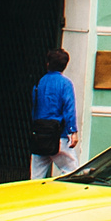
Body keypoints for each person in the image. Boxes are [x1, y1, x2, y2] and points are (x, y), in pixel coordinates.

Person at [29, 47, 79, 178]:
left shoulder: (40, 82)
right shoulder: (66, 83)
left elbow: (34, 107)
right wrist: (73, 131)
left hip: (40, 133)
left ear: (48, 64)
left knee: (36, 175)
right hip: (58, 134)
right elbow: (69, 108)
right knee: (71, 171)